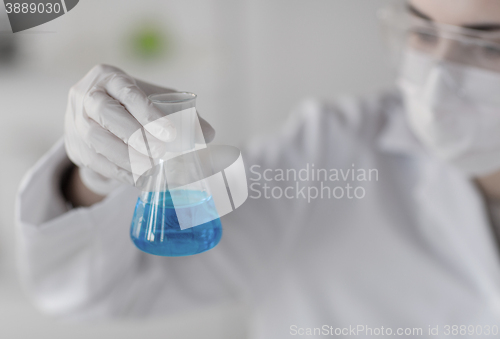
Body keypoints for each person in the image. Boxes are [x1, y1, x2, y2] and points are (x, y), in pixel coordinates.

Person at [15, 0, 500, 337]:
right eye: (422, 30)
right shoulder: (327, 153)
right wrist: (94, 179)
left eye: (489, 47)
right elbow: (89, 292)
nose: (437, 87)